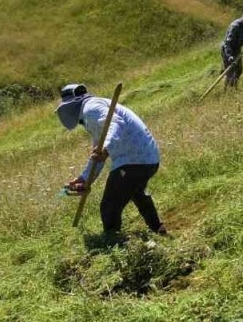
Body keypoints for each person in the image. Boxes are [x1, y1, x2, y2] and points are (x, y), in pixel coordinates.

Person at [57, 83, 166, 237]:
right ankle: (158, 229)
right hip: (147, 159)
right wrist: (84, 178)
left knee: (109, 207)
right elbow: (98, 154)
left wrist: (106, 149)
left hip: (133, 160)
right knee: (137, 193)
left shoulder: (90, 109)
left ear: (71, 105)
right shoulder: (95, 109)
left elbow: (115, 124)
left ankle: (112, 241)